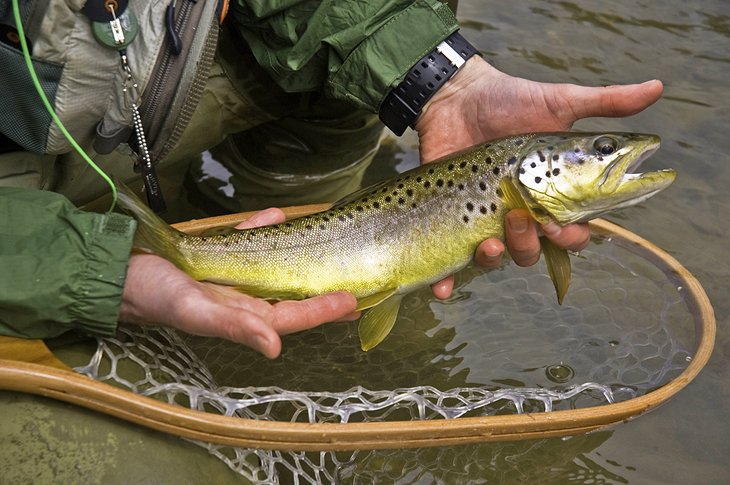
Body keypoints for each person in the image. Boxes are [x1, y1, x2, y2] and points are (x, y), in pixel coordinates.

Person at [0, 0, 662, 359]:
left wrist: (443, 80)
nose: (615, 154)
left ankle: (220, 273)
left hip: (122, 83)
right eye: (601, 149)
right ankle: (169, 276)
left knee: (356, 78)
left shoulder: (509, 180)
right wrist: (103, 275)